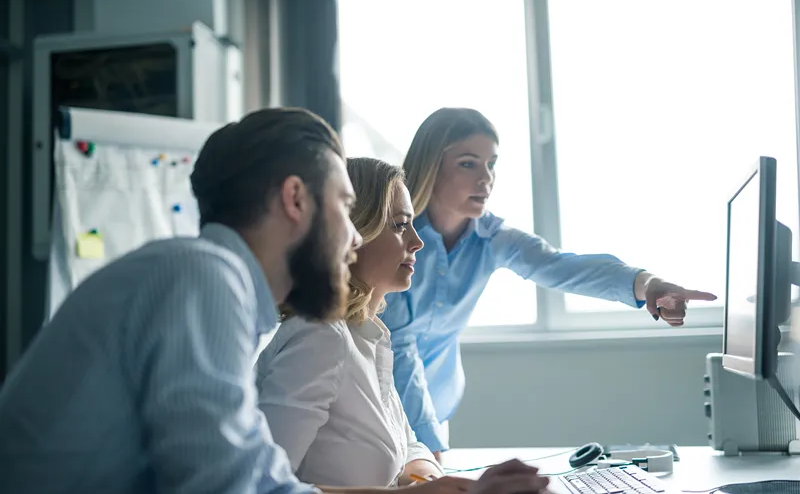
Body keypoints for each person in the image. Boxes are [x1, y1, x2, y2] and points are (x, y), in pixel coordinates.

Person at [0, 107, 550, 494]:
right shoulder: (205, 279)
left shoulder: (211, 285)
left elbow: (260, 480)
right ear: (295, 199)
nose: (356, 237)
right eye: (344, 205)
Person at [381, 107, 719, 460]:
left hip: (435, 408)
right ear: (431, 165)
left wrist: (647, 284)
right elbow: (399, 349)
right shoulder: (395, 238)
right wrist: (429, 444)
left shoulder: (492, 238)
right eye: (468, 163)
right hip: (381, 406)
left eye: (491, 164)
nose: (486, 178)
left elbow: (560, 266)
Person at [256, 158, 445, 489]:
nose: (417, 242)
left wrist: (426, 478)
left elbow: (407, 444)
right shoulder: (320, 338)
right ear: (354, 232)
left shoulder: (366, 335)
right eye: (400, 225)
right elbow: (265, 486)